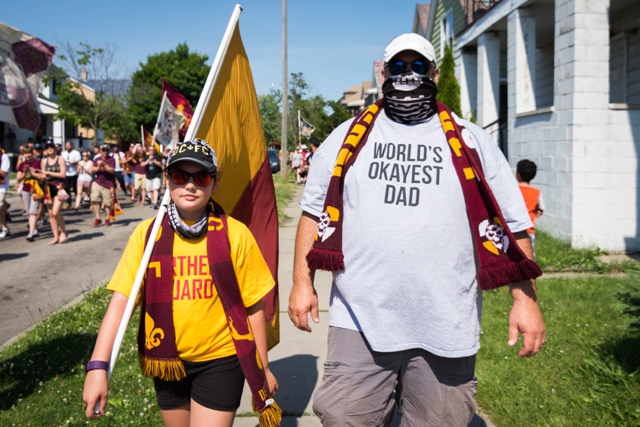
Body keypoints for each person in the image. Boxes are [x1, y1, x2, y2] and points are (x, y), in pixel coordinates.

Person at [288, 33, 546, 426]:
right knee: (344, 417)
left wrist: (525, 299)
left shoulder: (471, 140)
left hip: (446, 322)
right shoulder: (346, 138)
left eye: (419, 66)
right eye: (399, 67)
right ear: (385, 72)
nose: (409, 75)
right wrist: (301, 283)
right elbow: (311, 212)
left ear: (435, 73)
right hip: (361, 316)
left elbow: (512, 224)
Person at [82, 139, 280, 426]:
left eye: (201, 177)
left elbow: (253, 307)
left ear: (215, 182)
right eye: (179, 176)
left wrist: (262, 368)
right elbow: (121, 302)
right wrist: (97, 366)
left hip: (221, 360)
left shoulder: (236, 234)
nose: (190, 185)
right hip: (168, 363)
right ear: (167, 180)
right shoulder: (146, 236)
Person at [516, 159, 545, 260]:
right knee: (530, 258)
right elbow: (540, 210)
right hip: (529, 230)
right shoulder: (537, 192)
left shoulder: (514, 191)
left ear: (518, 174)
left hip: (514, 229)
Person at [41, 142, 68, 244]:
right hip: (48, 188)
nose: (50, 149)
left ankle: (64, 232)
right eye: (47, 147)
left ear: (55, 148)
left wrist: (49, 173)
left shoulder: (60, 159)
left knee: (56, 212)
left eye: (51, 147)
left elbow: (63, 175)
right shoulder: (44, 161)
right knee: (51, 214)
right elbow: (43, 175)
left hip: (59, 188)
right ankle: (55, 237)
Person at [16, 148, 45, 241]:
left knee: (33, 212)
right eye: (26, 156)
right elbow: (18, 179)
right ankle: (35, 230)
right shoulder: (22, 164)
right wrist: (25, 173)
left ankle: (31, 232)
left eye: (29, 155)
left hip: (36, 189)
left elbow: (43, 177)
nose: (28, 157)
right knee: (29, 212)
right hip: (26, 189)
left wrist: (33, 173)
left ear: (33, 154)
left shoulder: (39, 163)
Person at [90, 144, 116, 227]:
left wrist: (104, 165)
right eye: (103, 150)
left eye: (106, 150)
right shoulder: (97, 159)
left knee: (107, 202)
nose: (105, 152)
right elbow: (93, 169)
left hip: (108, 183)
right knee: (95, 198)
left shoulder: (111, 159)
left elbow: (111, 170)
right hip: (98, 182)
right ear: (100, 151)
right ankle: (98, 218)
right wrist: (98, 166)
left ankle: (107, 218)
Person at [142, 145, 163, 209]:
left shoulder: (157, 156)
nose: (152, 151)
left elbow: (160, 164)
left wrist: (154, 160)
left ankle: (155, 202)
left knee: (155, 188)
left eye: (153, 150)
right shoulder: (146, 157)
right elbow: (142, 164)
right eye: (150, 150)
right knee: (149, 190)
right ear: (148, 151)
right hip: (148, 176)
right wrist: (148, 160)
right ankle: (152, 201)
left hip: (156, 175)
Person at [0, 143, 11, 239]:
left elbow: (3, 173)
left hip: (1, 186)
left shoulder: (4, 157)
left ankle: (4, 227)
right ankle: (5, 228)